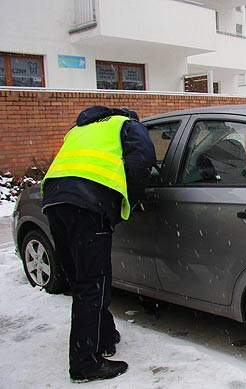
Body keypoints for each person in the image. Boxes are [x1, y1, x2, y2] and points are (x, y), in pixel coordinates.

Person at [41, 105, 156, 382]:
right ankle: (84, 364)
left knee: (82, 280)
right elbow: (143, 161)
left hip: (55, 202)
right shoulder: (127, 125)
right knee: (93, 283)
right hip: (88, 206)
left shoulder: (81, 129)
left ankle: (104, 338)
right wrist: (133, 198)